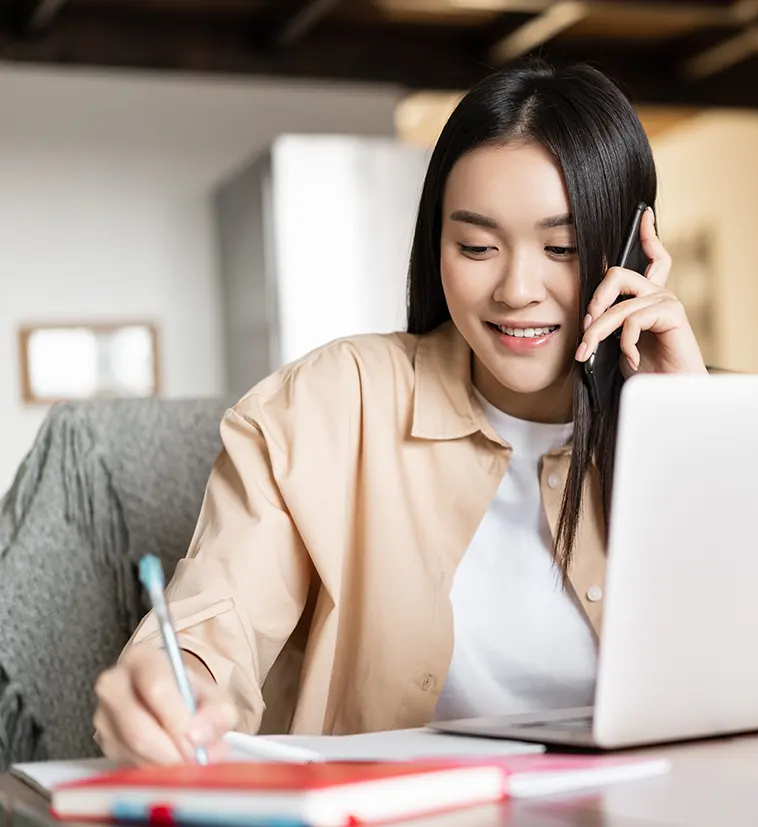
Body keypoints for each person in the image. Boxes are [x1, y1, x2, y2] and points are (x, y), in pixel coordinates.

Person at [90, 59, 708, 766]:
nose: (516, 288)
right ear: (434, 245)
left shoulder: (706, 410)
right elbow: (214, 621)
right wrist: (173, 684)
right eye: (476, 246)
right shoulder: (330, 401)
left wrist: (686, 437)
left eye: (561, 248)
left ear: (633, 248)